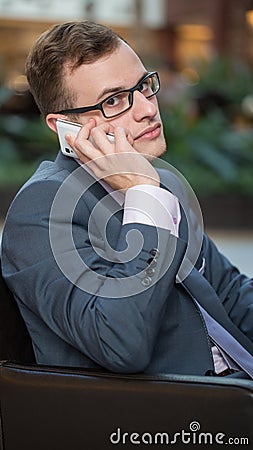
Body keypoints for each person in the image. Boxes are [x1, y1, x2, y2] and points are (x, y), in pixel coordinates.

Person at [1, 21, 253, 379]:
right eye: (114, 100)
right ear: (64, 128)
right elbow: (120, 343)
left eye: (143, 86)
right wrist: (145, 199)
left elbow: (229, 293)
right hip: (176, 413)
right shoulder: (41, 208)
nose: (148, 109)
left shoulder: (161, 181)